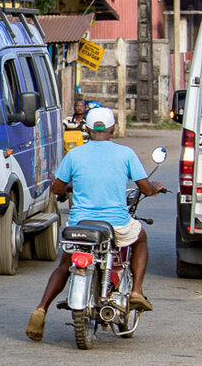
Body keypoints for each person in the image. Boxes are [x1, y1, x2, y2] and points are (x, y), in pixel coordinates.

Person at [25, 107, 162, 342]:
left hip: (80, 225)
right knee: (141, 238)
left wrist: (70, 187)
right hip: (115, 224)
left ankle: (41, 308)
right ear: (112, 129)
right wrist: (156, 187)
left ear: (86, 130)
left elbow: (57, 189)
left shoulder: (74, 155)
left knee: (64, 266)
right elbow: (145, 188)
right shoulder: (126, 153)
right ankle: (137, 291)